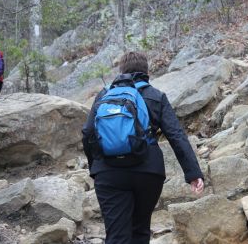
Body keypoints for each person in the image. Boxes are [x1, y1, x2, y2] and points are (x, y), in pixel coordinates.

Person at [82, 52, 204, 244]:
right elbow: (176, 135)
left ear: (121, 71)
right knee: (140, 231)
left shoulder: (104, 95)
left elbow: (88, 133)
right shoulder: (156, 96)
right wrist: (193, 173)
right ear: (146, 72)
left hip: (109, 173)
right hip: (148, 172)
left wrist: (96, 168)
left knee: (116, 235)